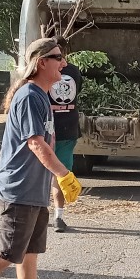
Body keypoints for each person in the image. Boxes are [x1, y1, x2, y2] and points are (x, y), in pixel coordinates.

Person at [0, 37, 82, 279]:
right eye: (58, 57)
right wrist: (64, 175)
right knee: (6, 254)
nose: (64, 63)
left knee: (28, 251)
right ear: (42, 62)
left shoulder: (42, 96)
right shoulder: (30, 97)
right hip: (19, 190)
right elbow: (36, 143)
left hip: (33, 191)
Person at [47, 37, 83, 232]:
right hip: (68, 127)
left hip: (47, 129)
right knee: (60, 173)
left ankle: (46, 215)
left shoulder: (43, 70)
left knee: (49, 174)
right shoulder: (74, 71)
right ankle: (58, 217)